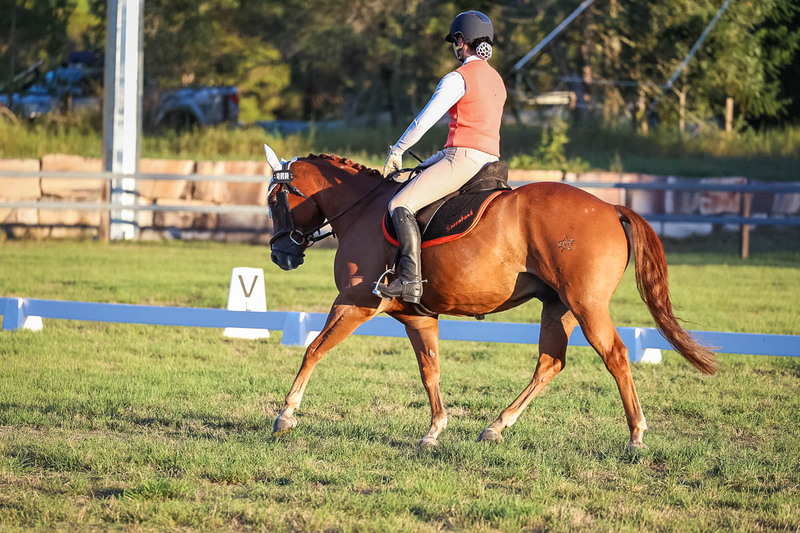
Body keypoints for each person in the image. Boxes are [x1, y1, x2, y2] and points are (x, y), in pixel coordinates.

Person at [374, 10, 507, 304]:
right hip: (491, 163)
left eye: (455, 41)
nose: (455, 47)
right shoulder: (497, 79)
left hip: (463, 161)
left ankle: (409, 280)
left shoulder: (458, 78)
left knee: (399, 203)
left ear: (461, 40)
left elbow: (423, 122)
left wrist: (398, 150)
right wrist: (432, 160)